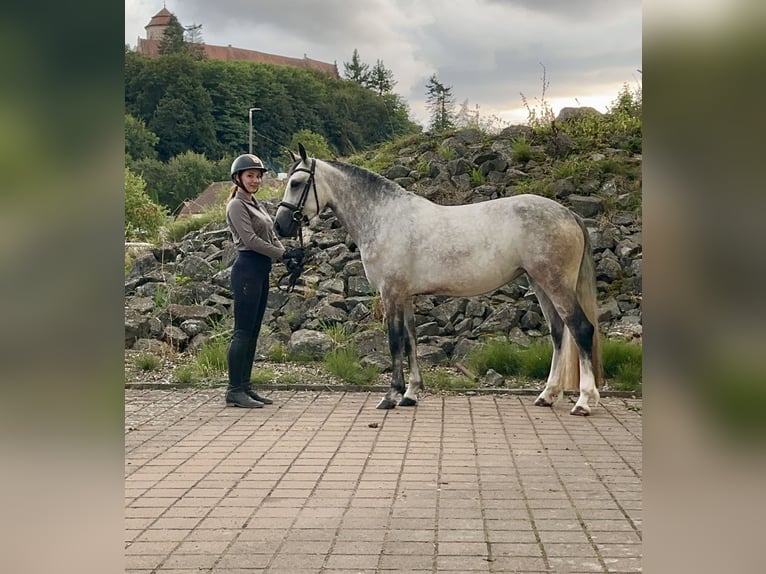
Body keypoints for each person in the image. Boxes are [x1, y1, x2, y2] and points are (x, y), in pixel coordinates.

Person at [224, 154, 303, 408]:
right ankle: (234, 390)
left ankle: (246, 386)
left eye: (258, 176)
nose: (255, 180)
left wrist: (286, 256)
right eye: (250, 175)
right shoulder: (237, 205)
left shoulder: (255, 204)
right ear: (238, 178)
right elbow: (250, 241)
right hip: (246, 269)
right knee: (242, 333)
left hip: (260, 270)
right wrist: (283, 253)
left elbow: (269, 236)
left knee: (253, 332)